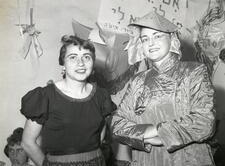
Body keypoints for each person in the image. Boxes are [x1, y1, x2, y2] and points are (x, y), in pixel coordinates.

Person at [111, 11, 216, 166]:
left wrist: (157, 133)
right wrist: (148, 133)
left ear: (171, 38)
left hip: (187, 159)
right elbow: (117, 124)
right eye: (145, 39)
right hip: (145, 159)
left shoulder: (194, 71)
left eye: (157, 36)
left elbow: (204, 121)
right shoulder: (137, 80)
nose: (151, 43)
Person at [20, 35, 116, 166]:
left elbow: (100, 135)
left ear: (93, 64)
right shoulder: (45, 96)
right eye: (73, 57)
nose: (81, 63)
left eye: (86, 57)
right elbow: (28, 143)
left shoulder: (101, 95)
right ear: (63, 65)